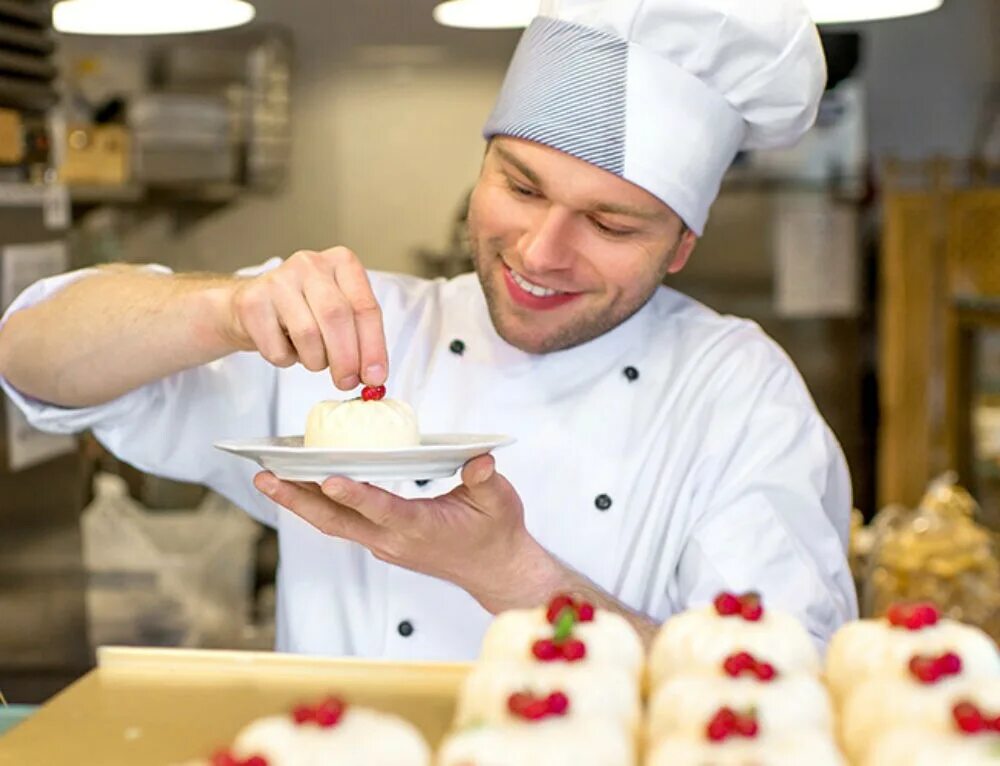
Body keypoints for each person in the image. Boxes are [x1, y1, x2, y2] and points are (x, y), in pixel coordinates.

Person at [0, 0, 857, 659]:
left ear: (681, 247)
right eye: (520, 189)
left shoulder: (737, 395)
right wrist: (220, 308)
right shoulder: (358, 330)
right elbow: (30, 354)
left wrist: (508, 571)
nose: (541, 251)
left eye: (612, 225)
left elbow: (777, 697)